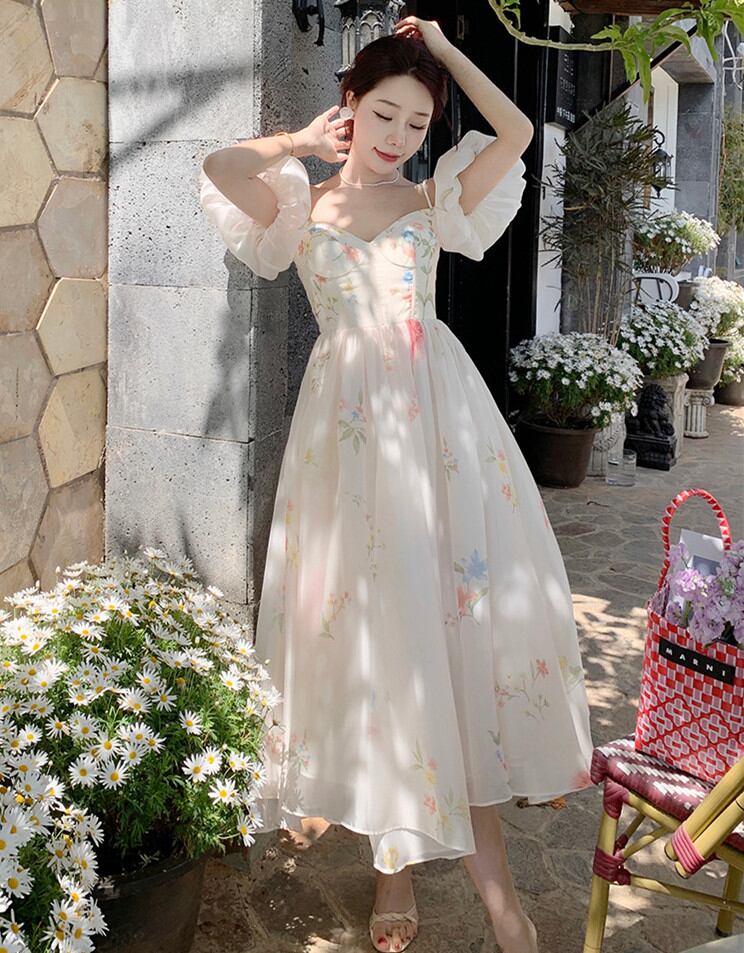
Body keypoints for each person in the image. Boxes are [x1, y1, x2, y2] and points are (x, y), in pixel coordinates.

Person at [199, 16, 594, 953]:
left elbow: (516, 132)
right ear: (350, 104)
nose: (399, 136)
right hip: (345, 447)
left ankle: (496, 896)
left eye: (417, 123)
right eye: (384, 113)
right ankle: (393, 869)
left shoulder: (432, 200)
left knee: (449, 646)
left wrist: (446, 51)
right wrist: (299, 142)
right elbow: (218, 166)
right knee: (380, 644)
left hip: (439, 436)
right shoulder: (300, 205)